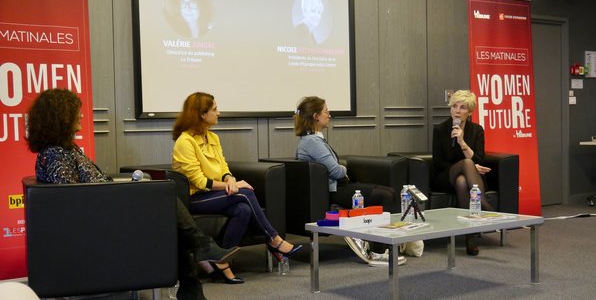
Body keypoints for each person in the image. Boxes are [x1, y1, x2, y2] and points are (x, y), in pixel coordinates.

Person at [25, 88, 237, 300]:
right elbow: (72, 202)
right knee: (164, 200)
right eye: (75, 112)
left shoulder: (67, 149)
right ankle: (200, 251)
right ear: (60, 117)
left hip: (109, 207)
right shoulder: (55, 155)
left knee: (164, 203)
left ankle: (195, 276)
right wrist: (123, 195)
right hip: (100, 220)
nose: (81, 115)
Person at [171, 92, 302, 283]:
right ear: (201, 114)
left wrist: (230, 179)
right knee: (245, 193)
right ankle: (274, 240)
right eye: (215, 109)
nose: (219, 113)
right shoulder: (185, 142)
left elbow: (223, 166)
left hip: (215, 194)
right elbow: (199, 182)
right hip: (195, 198)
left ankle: (222, 261)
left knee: (243, 209)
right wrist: (231, 185)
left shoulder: (212, 137)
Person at [293, 96, 406, 267]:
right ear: (316, 116)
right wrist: (344, 168)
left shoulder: (313, 139)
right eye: (326, 111)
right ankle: (378, 252)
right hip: (334, 190)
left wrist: (342, 168)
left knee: (389, 192)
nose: (329, 114)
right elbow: (336, 171)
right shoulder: (312, 142)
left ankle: (383, 245)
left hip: (339, 186)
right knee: (385, 196)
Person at [432, 90, 494, 256]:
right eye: (454, 106)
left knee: (462, 181)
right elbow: (438, 163)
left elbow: (481, 159)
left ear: (470, 111)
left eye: (462, 107)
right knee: (466, 165)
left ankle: (470, 236)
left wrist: (462, 142)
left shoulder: (477, 130)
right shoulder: (440, 130)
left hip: (468, 178)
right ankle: (484, 204)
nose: (457, 111)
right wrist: (470, 166)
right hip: (445, 175)